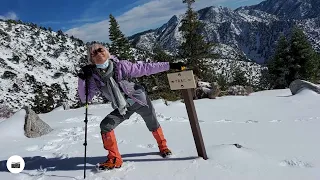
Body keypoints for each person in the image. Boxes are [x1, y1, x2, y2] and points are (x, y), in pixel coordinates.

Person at [77, 43, 185, 170]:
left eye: (101, 49)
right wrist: (82, 79)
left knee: (152, 123)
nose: (99, 53)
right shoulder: (94, 78)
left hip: (139, 101)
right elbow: (85, 98)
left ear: (107, 51)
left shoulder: (121, 66)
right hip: (123, 107)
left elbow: (146, 68)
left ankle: (163, 147)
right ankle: (114, 159)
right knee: (106, 126)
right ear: (91, 60)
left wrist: (170, 65)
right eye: (94, 53)